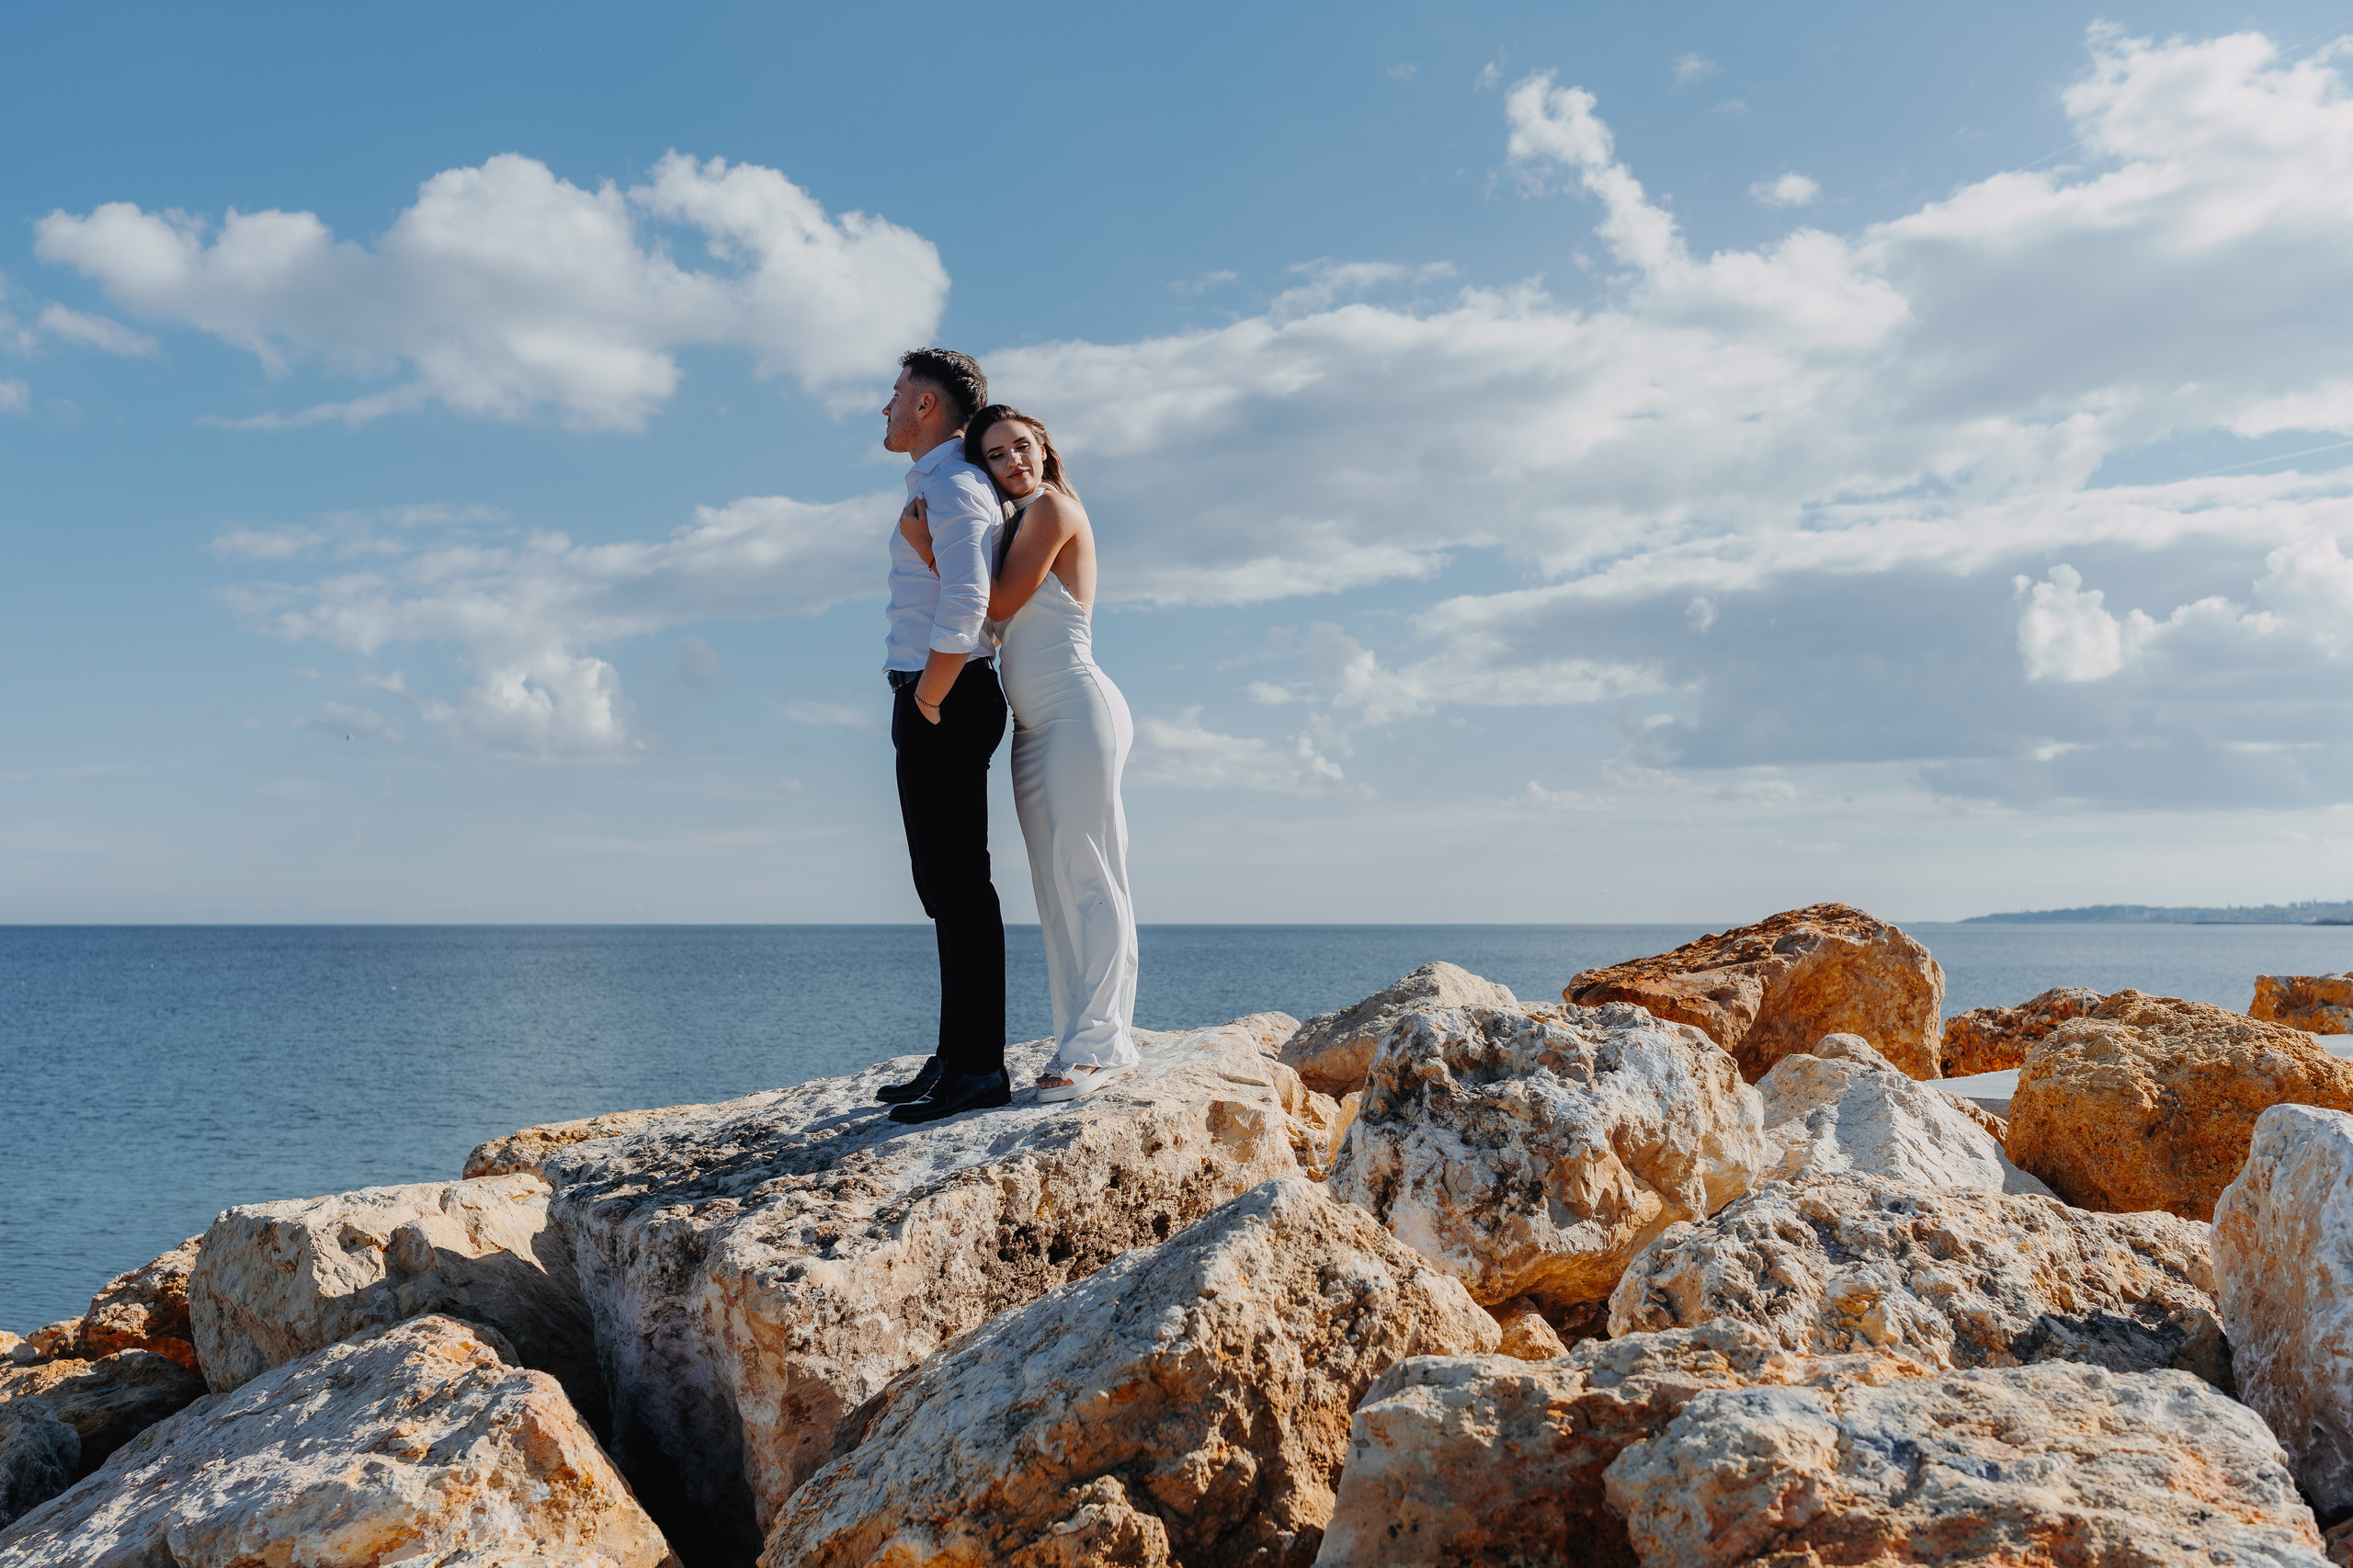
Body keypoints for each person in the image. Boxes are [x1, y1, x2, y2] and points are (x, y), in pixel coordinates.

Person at [902, 405, 1141, 1103]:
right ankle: (1078, 1036)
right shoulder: (1012, 523)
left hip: (1077, 709)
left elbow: (995, 602)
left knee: (1094, 875)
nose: (1015, 462)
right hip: (1035, 726)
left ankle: (1105, 1045)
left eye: (1024, 447)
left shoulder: (1052, 511)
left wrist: (927, 547)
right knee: (1056, 888)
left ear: (1045, 451)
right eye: (998, 455)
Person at [873, 348, 1014, 1125]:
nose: (885, 406)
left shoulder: (955, 484)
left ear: (927, 405)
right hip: (938, 694)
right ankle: (955, 1053)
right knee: (944, 887)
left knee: (960, 887)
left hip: (946, 696)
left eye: (895, 393)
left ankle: (979, 1068)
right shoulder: (943, 482)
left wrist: (928, 697)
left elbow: (968, 596)